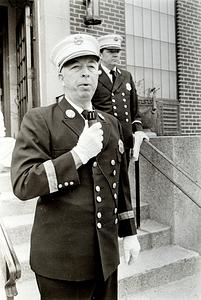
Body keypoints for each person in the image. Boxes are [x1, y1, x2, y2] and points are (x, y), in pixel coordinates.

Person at [11, 33, 140, 300]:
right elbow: (23, 183)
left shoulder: (110, 123)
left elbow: (120, 182)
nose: (86, 74)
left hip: (105, 259)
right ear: (61, 76)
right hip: (61, 263)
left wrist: (129, 234)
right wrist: (78, 155)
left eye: (91, 67)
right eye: (75, 67)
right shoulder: (40, 120)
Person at [92, 34, 149, 165]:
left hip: (125, 138)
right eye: (111, 51)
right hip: (104, 138)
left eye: (117, 51)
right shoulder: (94, 75)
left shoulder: (126, 76)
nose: (115, 55)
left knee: (124, 182)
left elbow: (134, 110)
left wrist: (138, 130)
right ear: (100, 54)